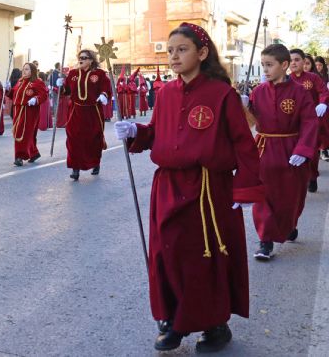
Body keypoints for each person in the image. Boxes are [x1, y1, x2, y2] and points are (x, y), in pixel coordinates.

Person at [114, 22, 264, 352]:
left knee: (200, 259)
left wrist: (244, 190)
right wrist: (135, 132)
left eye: (181, 50)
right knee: (166, 255)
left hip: (208, 190)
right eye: (170, 51)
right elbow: (156, 132)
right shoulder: (165, 93)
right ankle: (173, 321)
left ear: (202, 52)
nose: (173, 56)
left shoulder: (221, 94)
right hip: (167, 185)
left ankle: (214, 325)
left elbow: (244, 145)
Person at [243, 44, 317, 260]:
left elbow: (309, 122)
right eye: (262, 65)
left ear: (284, 65)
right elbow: (250, 122)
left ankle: (289, 224)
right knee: (262, 195)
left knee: (290, 196)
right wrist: (245, 107)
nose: (265, 70)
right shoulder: (257, 92)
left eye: (269, 65)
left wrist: (303, 149)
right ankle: (265, 241)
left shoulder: (299, 92)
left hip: (291, 150)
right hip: (264, 149)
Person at [58, 50, 110, 180]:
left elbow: (106, 87)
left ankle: (95, 163)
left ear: (91, 60)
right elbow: (67, 91)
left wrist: (104, 95)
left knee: (93, 139)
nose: (80, 59)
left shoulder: (99, 74)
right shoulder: (73, 73)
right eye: (79, 57)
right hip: (76, 112)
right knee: (74, 139)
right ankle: (75, 168)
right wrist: (60, 86)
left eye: (84, 57)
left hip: (93, 111)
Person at [289, 48, 329, 192]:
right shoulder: (287, 79)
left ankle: (312, 177)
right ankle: (299, 179)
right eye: (291, 60)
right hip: (294, 124)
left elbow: (324, 91)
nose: (294, 63)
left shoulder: (313, 78)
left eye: (297, 60)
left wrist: (323, 103)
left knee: (311, 152)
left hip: (312, 122)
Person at [7, 62, 47, 166]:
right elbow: (13, 95)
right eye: (23, 69)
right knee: (25, 133)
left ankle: (19, 156)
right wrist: (7, 89)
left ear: (32, 71)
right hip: (17, 110)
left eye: (27, 69)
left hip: (29, 111)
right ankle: (34, 153)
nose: (24, 71)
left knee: (22, 133)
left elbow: (43, 95)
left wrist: (36, 99)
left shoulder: (37, 82)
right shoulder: (20, 81)